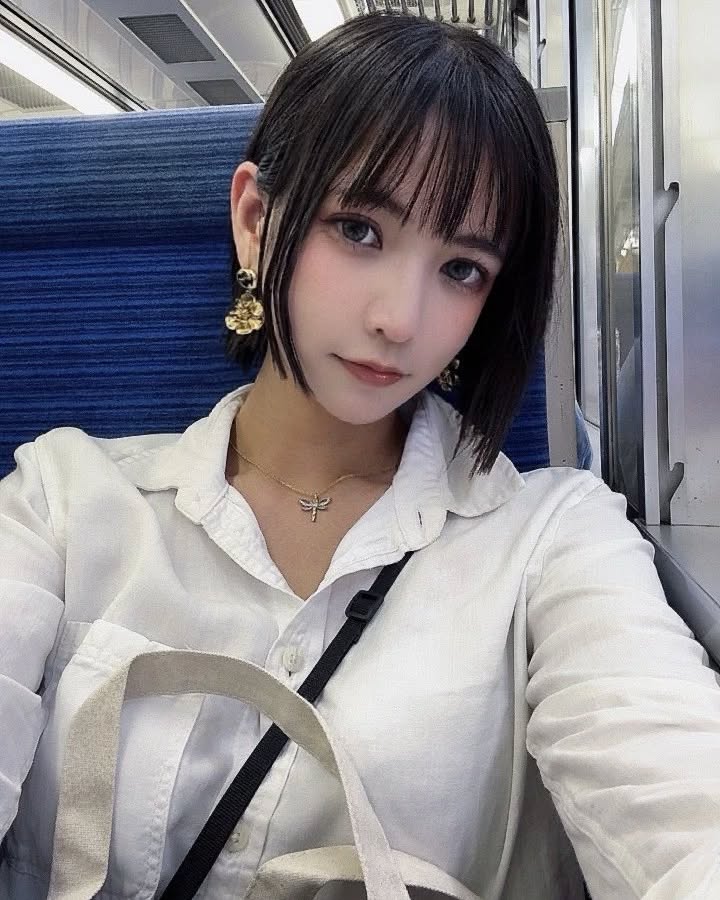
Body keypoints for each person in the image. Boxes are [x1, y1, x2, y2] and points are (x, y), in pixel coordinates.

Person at [1, 12, 720, 900]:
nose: (400, 319)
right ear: (255, 220)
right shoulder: (62, 498)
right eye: (359, 230)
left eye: (462, 269)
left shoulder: (555, 539)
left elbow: (670, 788)